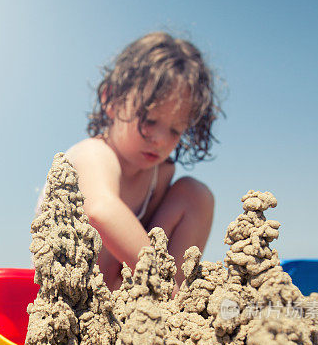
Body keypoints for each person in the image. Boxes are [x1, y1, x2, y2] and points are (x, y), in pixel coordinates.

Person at [67, 32, 222, 292]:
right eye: (149, 121)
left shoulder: (159, 174)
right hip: (79, 297)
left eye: (175, 130)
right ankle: (170, 297)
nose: (161, 140)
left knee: (195, 194)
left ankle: (178, 297)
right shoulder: (93, 153)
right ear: (111, 99)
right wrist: (162, 283)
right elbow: (101, 210)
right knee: (109, 223)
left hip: (131, 291)